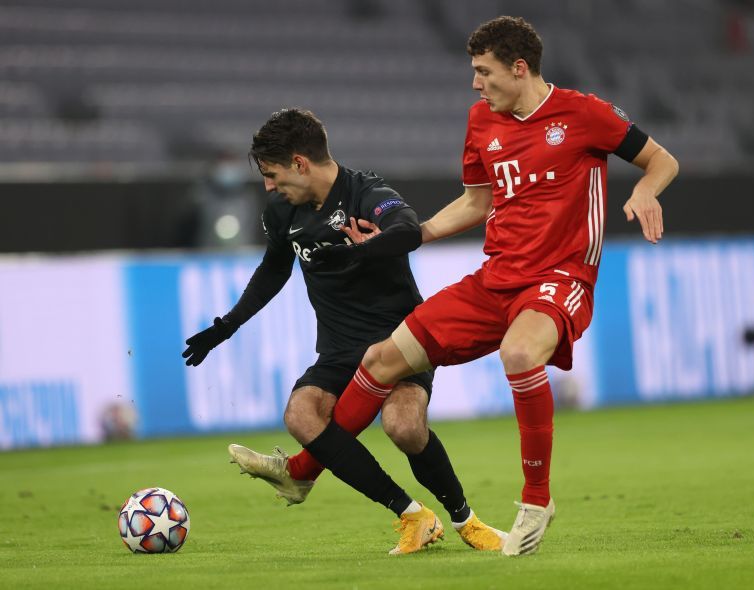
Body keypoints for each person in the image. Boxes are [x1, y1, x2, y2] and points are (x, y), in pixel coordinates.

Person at [279, 16, 680, 557]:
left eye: (483, 71)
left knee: (518, 352)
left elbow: (662, 159)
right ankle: (302, 473)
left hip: (559, 277)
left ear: (519, 69)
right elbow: (477, 201)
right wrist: (414, 233)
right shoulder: (481, 122)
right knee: (379, 361)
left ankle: (536, 499)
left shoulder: (584, 114)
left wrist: (648, 191)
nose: (476, 83)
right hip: (494, 281)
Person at [182, 108, 506, 555]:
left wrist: (359, 252)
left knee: (404, 427)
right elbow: (273, 270)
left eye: (273, 174)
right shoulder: (281, 210)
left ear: (300, 163)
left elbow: (407, 229)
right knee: (300, 414)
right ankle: (412, 515)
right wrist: (227, 326)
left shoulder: (366, 191)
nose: (269, 186)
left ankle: (466, 521)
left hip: (399, 342)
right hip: (337, 349)